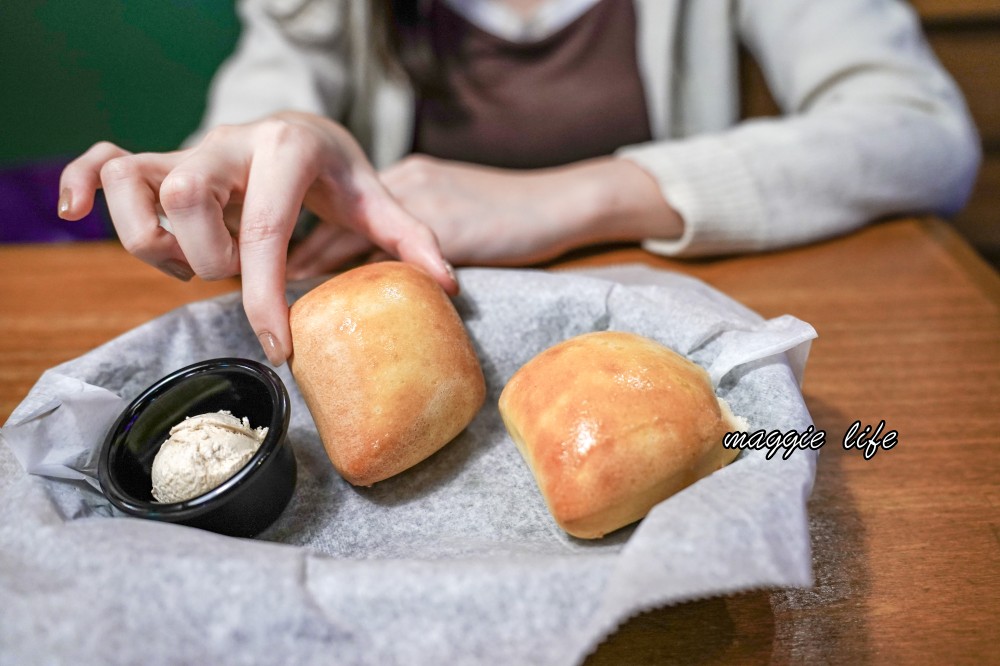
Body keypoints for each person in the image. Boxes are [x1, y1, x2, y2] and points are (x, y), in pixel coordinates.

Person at [57, 0, 980, 366]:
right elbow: (266, 102)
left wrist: (565, 198)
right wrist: (258, 149)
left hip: (676, 335)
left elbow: (922, 132)